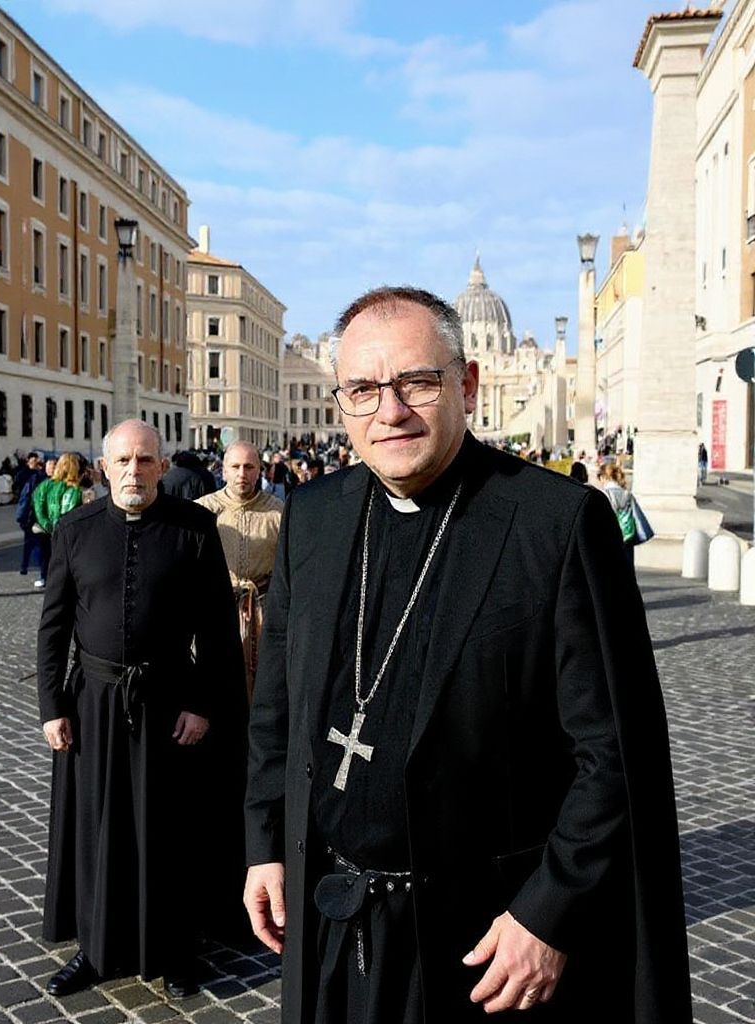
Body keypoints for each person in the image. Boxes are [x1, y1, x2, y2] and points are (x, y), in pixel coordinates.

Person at [243, 286, 691, 1023]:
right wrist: (265, 842)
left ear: (467, 384)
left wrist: (549, 913)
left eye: (415, 382)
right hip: (333, 916)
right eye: (362, 389)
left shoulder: (556, 523)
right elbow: (278, 708)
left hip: (487, 940)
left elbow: (615, 751)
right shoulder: (314, 517)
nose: (389, 411)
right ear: (340, 402)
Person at [36, 420, 244, 1000]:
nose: (134, 471)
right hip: (93, 705)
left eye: (145, 460)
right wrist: (53, 706)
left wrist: (202, 704)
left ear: (161, 465)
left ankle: (176, 949)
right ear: (104, 468)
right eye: (123, 461)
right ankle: (96, 949)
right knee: (96, 826)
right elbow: (52, 627)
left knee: (170, 829)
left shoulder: (195, 528)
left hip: (171, 702)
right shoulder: (74, 530)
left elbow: (218, 631)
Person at [196, 440, 284, 702]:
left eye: (249, 467)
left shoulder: (279, 512)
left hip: (265, 611)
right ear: (223, 470)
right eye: (235, 467)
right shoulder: (202, 511)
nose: (242, 474)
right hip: (216, 611)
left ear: (260, 471)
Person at [31, 453, 83, 588]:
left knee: (49, 562)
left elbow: (38, 508)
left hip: (46, 531)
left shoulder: (44, 486)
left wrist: (47, 526)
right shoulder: (74, 489)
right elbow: (69, 512)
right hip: (67, 535)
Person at [597, 460, 636, 569]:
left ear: (603, 477)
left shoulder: (606, 493)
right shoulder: (626, 492)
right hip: (627, 532)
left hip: (611, 533)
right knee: (627, 566)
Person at [15, 453, 47, 583]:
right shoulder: (24, 474)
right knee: (31, 542)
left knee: (33, 542)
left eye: (36, 461)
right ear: (28, 461)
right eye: (33, 460)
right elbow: (18, 488)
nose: (35, 463)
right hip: (29, 512)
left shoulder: (39, 475)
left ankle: (28, 566)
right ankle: (26, 565)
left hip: (33, 513)